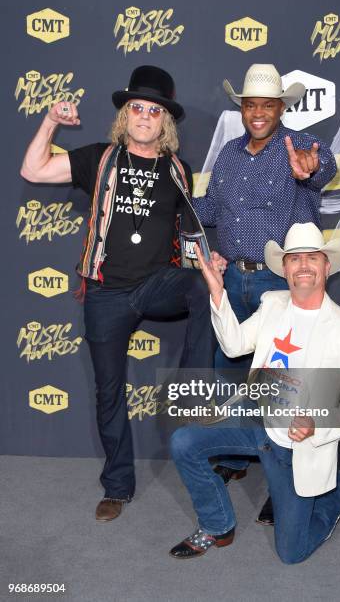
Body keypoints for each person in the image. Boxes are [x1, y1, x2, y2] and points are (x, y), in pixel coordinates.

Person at [20, 65, 223, 522]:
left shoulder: (176, 170)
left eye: (154, 110)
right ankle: (118, 486)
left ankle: (193, 392)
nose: (145, 116)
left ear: (164, 121)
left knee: (200, 286)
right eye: (138, 108)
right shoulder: (98, 157)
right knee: (109, 392)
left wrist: (209, 263)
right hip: (106, 293)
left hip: (155, 285)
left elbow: (188, 230)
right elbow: (32, 168)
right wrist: (51, 120)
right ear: (125, 114)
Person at [169, 222, 340, 563]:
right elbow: (235, 345)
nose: (304, 266)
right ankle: (217, 524)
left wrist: (317, 425)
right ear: (284, 268)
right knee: (183, 442)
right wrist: (217, 291)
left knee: (291, 553)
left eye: (313, 257)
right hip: (255, 421)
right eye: (295, 259)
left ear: (327, 265)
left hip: (294, 448)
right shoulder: (272, 303)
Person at [193, 63, 338, 515]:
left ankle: (284, 480)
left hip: (280, 279)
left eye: (267, 105)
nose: (258, 112)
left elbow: (322, 169)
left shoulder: (301, 146)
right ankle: (237, 454)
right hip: (234, 276)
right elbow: (212, 208)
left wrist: (309, 172)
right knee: (229, 371)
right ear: (242, 108)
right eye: (250, 104)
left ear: (280, 108)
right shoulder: (230, 155)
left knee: (282, 381)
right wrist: (172, 201)